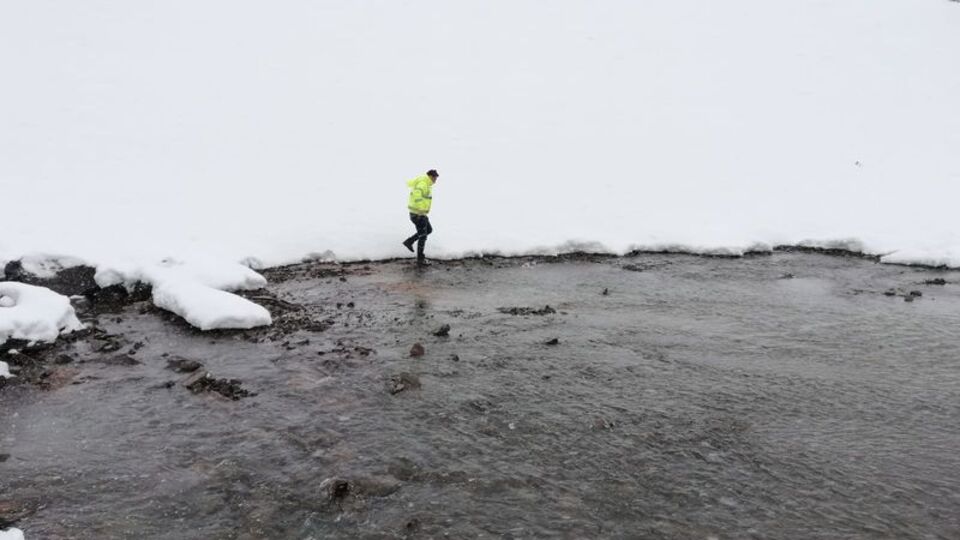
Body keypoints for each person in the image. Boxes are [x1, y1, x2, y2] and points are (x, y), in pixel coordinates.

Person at [403, 169, 439, 265]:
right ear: (431, 176)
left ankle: (409, 241)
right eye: (435, 177)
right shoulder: (423, 184)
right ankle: (420, 259)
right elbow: (417, 196)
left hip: (420, 214)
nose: (436, 180)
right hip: (418, 214)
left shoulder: (425, 183)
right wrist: (420, 210)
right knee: (423, 235)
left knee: (429, 230)